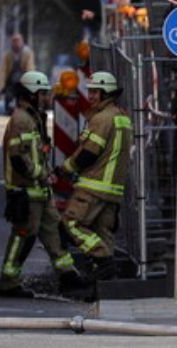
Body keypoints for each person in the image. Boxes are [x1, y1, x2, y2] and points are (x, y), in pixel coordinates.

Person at [0, 71, 84, 298]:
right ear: (32, 93)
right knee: (24, 235)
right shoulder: (21, 120)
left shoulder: (34, 117)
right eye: (43, 93)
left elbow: (36, 154)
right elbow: (18, 158)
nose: (47, 97)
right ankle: (8, 281)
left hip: (40, 192)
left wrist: (47, 176)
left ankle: (68, 276)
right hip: (25, 191)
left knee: (55, 231)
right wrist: (41, 175)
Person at [55, 71, 132, 282]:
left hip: (94, 186)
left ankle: (103, 260)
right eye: (89, 91)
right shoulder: (122, 117)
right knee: (103, 231)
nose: (91, 96)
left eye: (95, 92)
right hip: (113, 190)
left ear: (106, 93)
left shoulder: (101, 119)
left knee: (71, 223)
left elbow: (88, 153)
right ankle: (107, 283)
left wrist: (66, 169)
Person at [0, 34, 36, 112]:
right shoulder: (8, 55)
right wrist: (1, 86)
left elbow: (30, 67)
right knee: (8, 95)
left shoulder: (28, 54)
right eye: (14, 42)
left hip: (23, 80)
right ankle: (8, 110)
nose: (16, 44)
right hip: (11, 81)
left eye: (18, 41)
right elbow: (3, 70)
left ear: (22, 42)